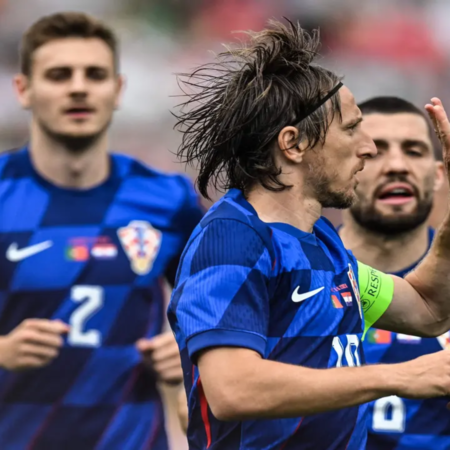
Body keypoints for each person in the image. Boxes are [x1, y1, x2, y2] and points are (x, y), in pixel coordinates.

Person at [168, 20, 450, 450]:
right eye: (353, 128)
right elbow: (233, 389)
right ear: (293, 144)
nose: (369, 147)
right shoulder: (234, 238)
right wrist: (398, 376)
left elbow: (427, 309)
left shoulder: (321, 242)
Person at [0, 12, 203, 450]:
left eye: (94, 74)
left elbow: (218, 309)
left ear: (118, 89)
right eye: (59, 75)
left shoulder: (168, 199)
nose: (78, 87)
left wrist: (190, 349)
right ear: (24, 90)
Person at [339, 96, 448, 450]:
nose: (397, 166)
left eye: (414, 151)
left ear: (439, 174)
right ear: (344, 165)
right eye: (376, 151)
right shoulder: (295, 274)